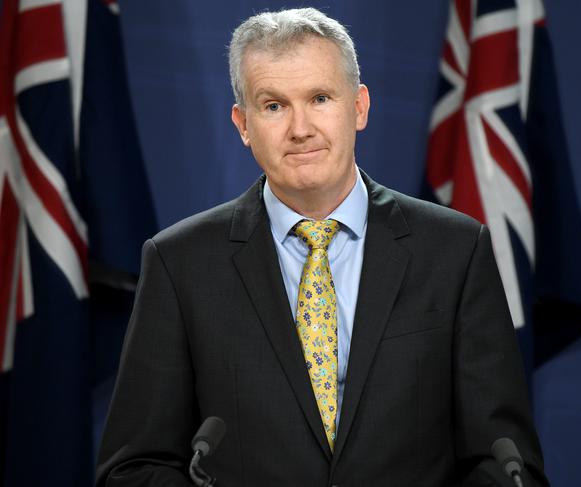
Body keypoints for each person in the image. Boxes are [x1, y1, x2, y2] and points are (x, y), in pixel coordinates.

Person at [96, 8, 548, 487]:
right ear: (242, 123)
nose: (300, 128)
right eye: (273, 105)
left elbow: (505, 461)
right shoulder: (179, 264)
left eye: (319, 98)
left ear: (359, 107)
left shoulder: (455, 251)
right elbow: (132, 469)